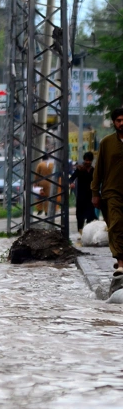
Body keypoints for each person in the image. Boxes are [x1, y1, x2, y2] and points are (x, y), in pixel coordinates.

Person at [92, 107, 123, 282]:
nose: (121, 123)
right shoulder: (106, 143)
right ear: (114, 122)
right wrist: (95, 192)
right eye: (118, 120)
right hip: (112, 192)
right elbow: (99, 170)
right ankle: (121, 262)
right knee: (116, 224)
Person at [70, 151, 98, 235]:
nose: (87, 162)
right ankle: (80, 231)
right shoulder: (80, 169)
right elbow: (71, 178)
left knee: (90, 215)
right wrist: (71, 183)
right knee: (80, 215)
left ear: (91, 161)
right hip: (81, 196)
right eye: (86, 160)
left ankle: (88, 232)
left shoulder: (93, 170)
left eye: (89, 160)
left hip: (90, 196)